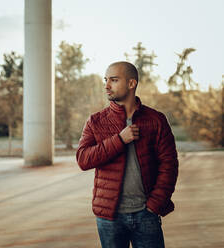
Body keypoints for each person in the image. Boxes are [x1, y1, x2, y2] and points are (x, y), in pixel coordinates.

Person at [76, 61, 179, 248]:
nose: (107, 86)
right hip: (109, 217)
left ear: (132, 84)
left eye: (113, 80)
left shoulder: (156, 120)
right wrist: (119, 140)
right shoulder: (95, 121)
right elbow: (83, 159)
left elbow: (169, 165)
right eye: (106, 80)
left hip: (146, 213)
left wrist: (155, 204)